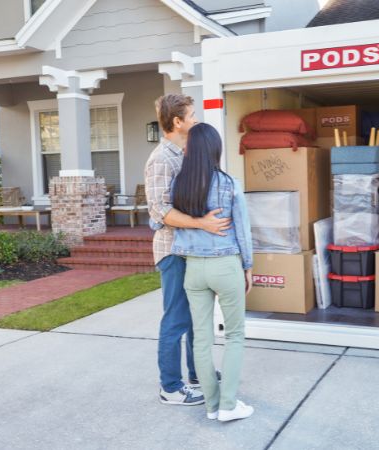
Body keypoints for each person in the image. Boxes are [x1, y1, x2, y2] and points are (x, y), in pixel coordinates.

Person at [144, 94, 230, 406]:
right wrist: (202, 224)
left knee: (198, 317)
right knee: (177, 319)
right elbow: (160, 211)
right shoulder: (161, 160)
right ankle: (170, 387)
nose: (195, 120)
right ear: (177, 122)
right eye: (191, 115)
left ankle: (197, 373)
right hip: (172, 251)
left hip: (192, 249)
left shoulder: (185, 153)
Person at [169, 123, 254, 422]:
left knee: (201, 339)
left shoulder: (179, 185)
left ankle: (212, 406)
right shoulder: (229, 183)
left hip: (193, 269)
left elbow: (162, 221)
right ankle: (229, 406)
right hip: (225, 264)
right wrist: (248, 266)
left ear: (190, 150)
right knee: (234, 335)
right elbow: (242, 230)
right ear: (215, 149)